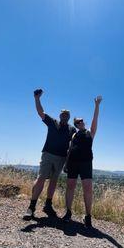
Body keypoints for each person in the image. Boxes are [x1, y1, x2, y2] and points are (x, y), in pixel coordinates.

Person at [23, 89, 76, 220]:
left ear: (68, 117)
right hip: (48, 154)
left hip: (61, 158)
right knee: (41, 178)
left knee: (54, 181)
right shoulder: (52, 122)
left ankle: (48, 204)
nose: (64, 116)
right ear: (60, 115)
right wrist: (37, 99)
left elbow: (73, 145)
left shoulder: (71, 129)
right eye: (63, 114)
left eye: (66, 115)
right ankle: (31, 207)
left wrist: (68, 162)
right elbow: (41, 113)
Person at [62, 95, 103, 228]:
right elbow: (69, 150)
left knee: (88, 188)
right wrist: (66, 164)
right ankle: (68, 212)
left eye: (82, 121)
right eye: (79, 122)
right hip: (73, 163)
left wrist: (96, 106)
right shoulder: (74, 135)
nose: (81, 122)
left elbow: (94, 121)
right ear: (76, 124)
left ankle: (88, 216)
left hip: (86, 163)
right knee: (70, 186)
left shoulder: (89, 133)